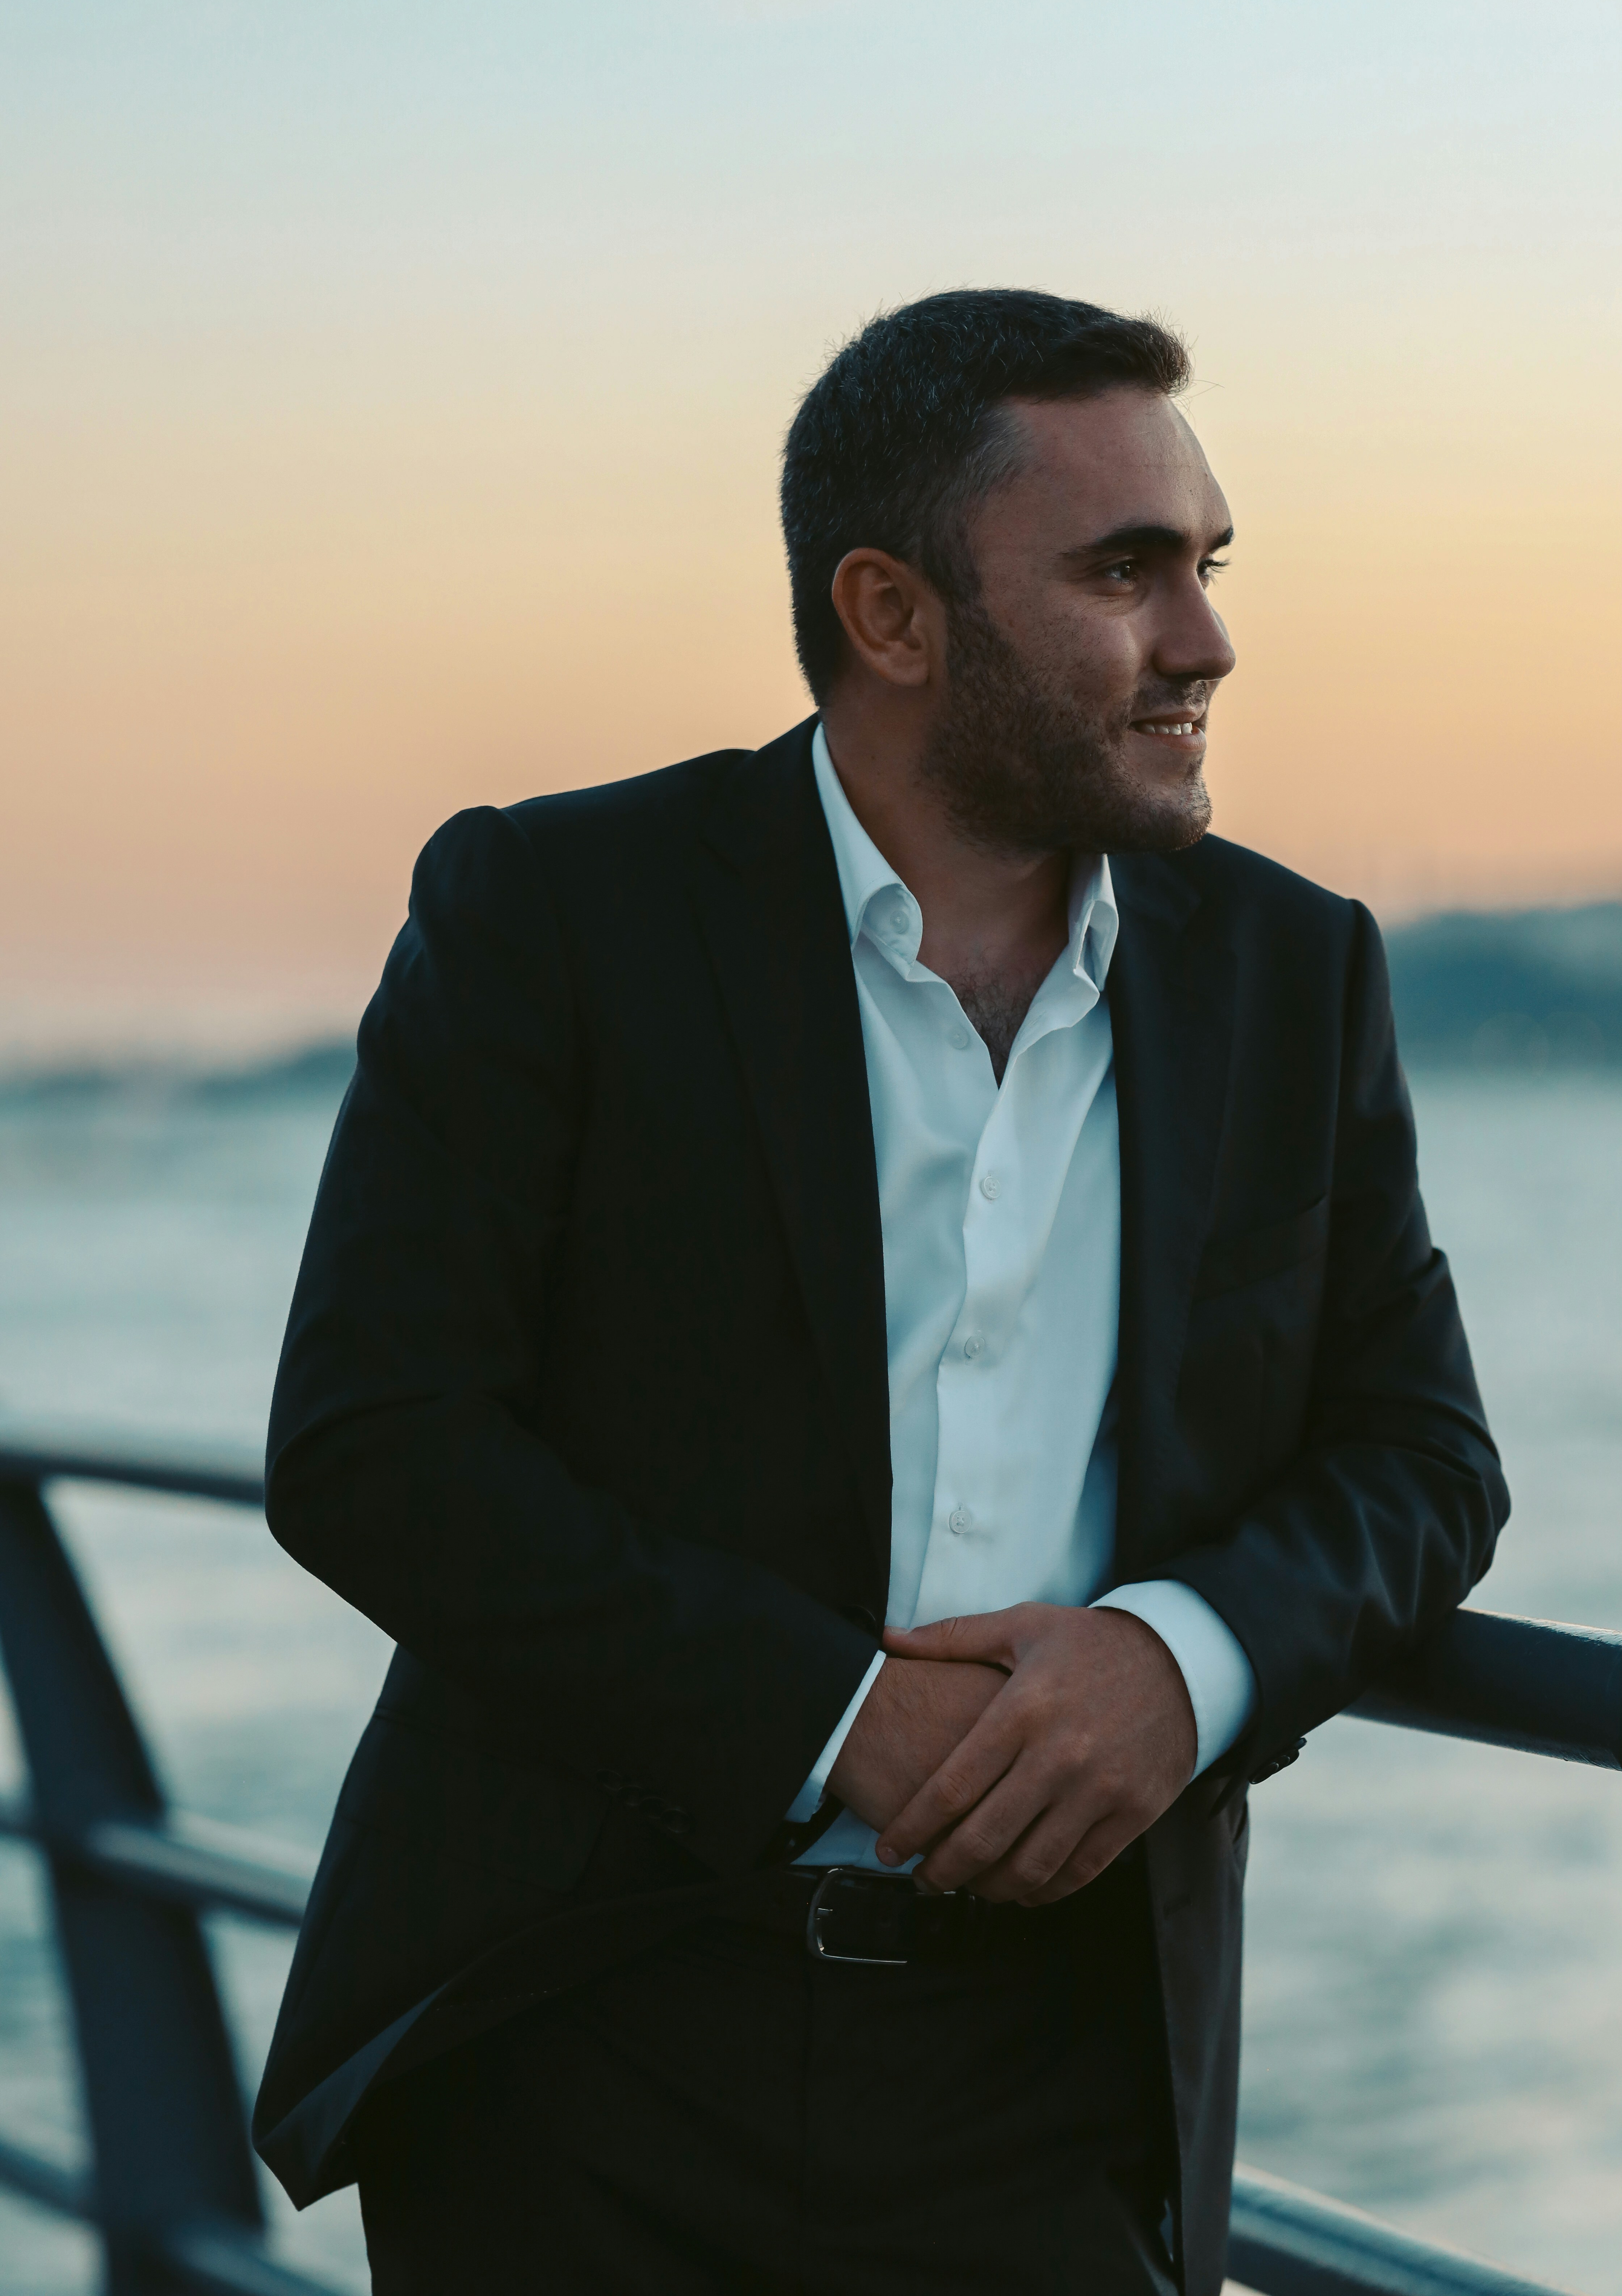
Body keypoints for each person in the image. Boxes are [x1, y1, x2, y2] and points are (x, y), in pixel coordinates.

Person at [252, 289, 1507, 2295]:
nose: (1205, 640)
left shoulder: (1294, 971)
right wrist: (829, 1716)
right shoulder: (560, 913)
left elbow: (1424, 1457)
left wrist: (1185, 1658)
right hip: (584, 2040)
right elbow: (373, 1445)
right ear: (893, 616)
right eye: (1124, 573)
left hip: (1062, 2075)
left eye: (1208, 566)